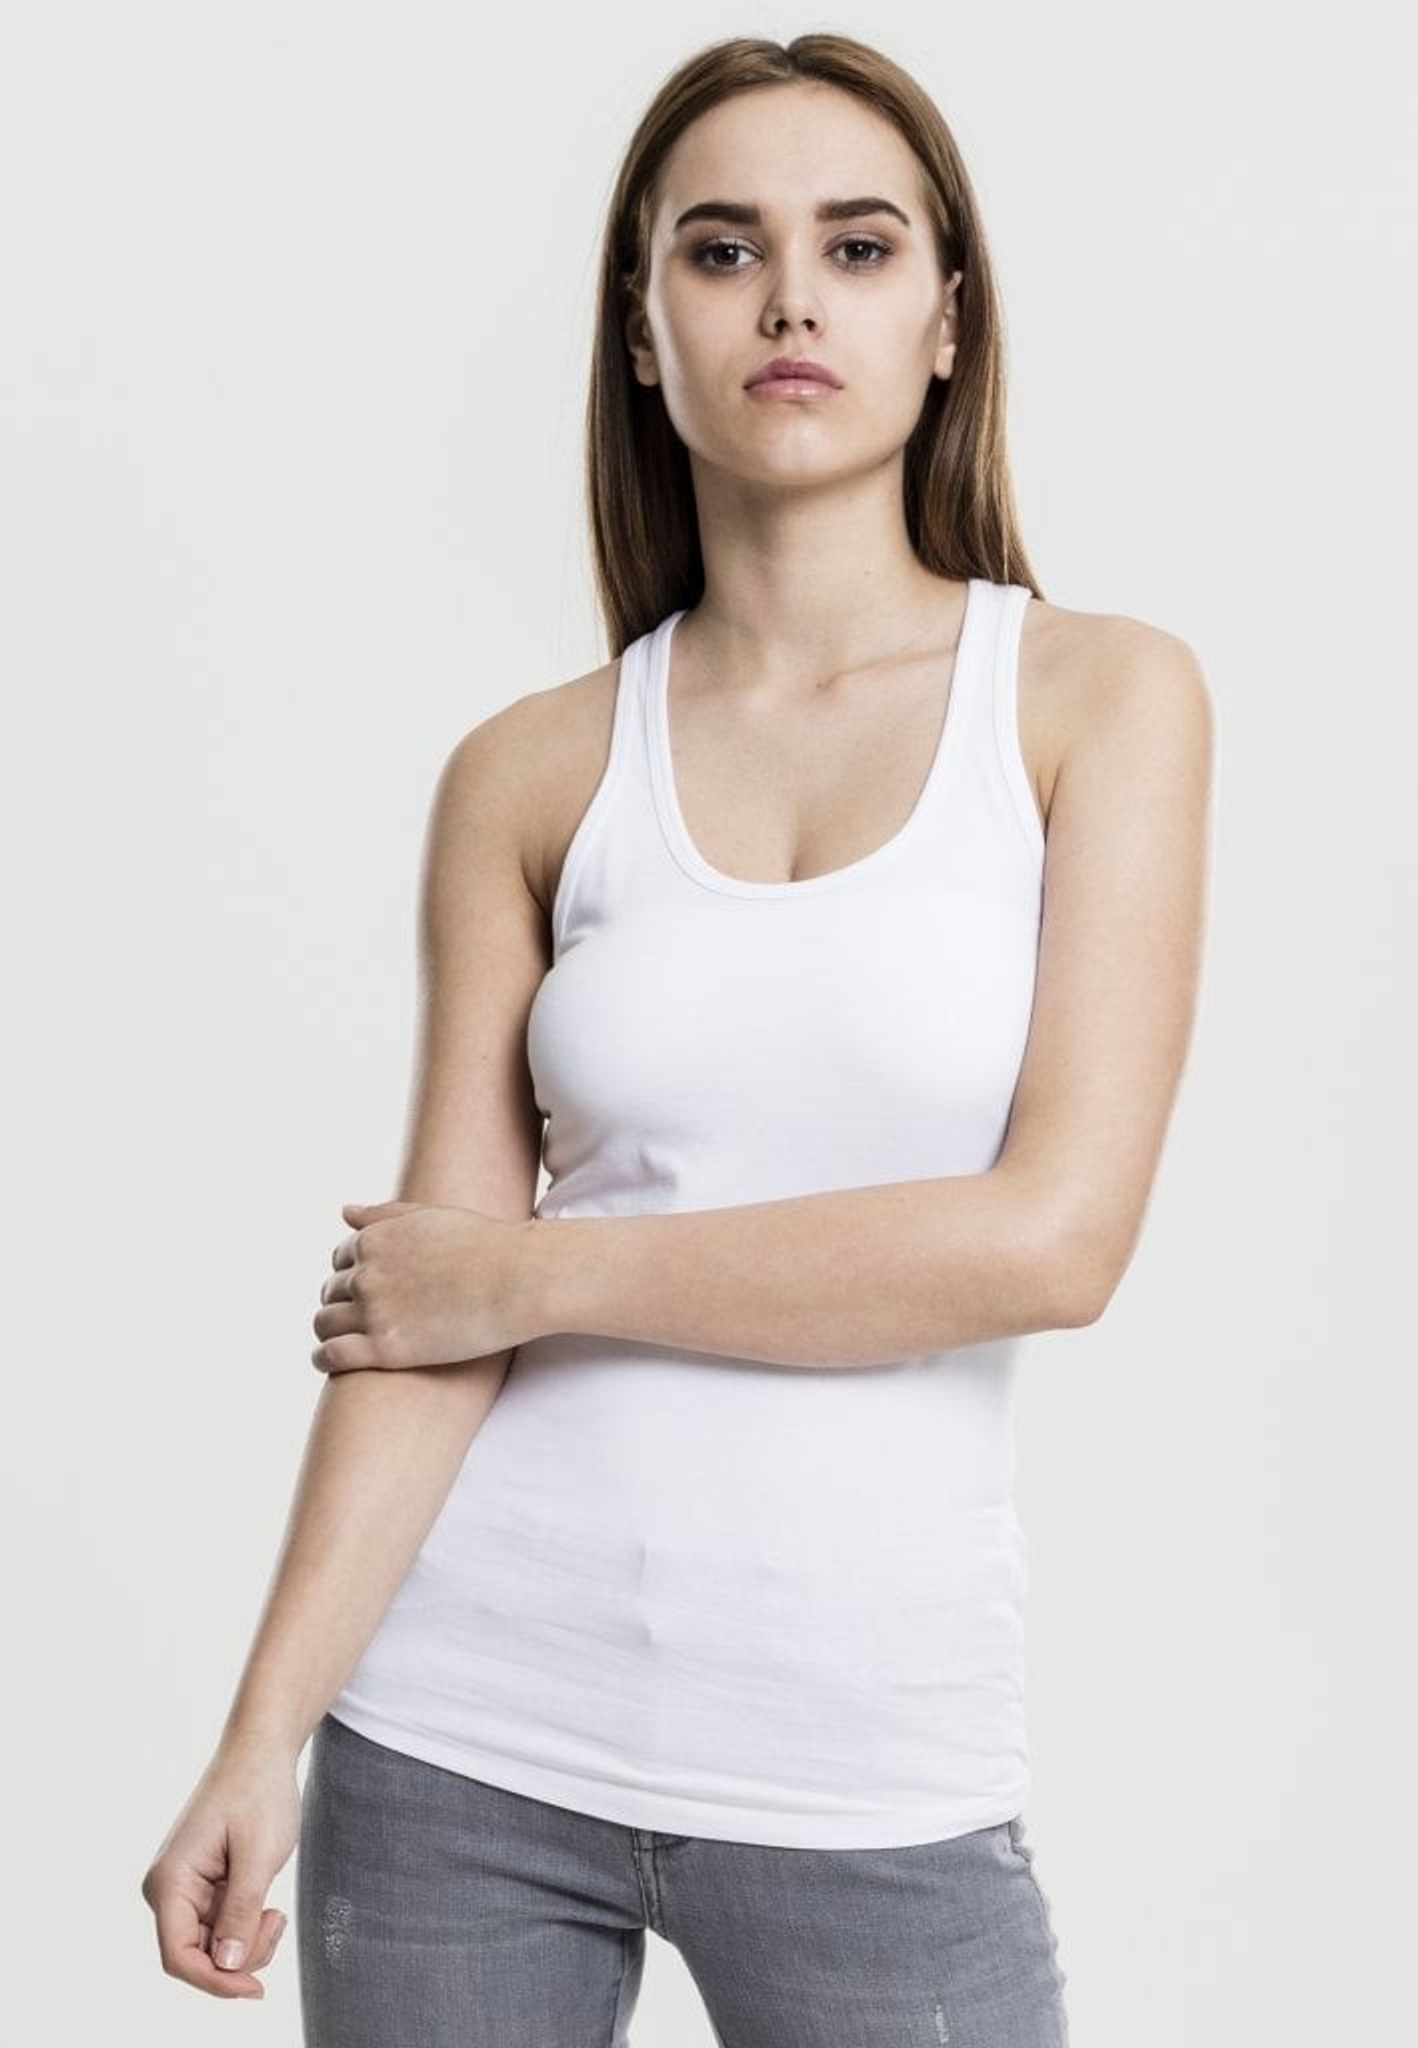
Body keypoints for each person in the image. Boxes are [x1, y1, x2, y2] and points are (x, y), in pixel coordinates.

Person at [140, 30, 1214, 2046]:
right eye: (721, 252)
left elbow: (1051, 1241)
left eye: (858, 247)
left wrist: (535, 1275)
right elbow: (420, 1318)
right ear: (642, 332)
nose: (791, 299)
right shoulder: (530, 768)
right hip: (457, 1736)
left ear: (947, 321)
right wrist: (257, 1733)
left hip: (866, 1767)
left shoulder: (1095, 701)